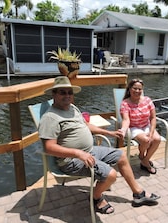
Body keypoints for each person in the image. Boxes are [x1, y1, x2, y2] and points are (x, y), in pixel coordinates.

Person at [38, 76, 160, 215]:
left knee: (121, 156)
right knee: (111, 175)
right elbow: (49, 147)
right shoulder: (50, 118)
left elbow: (86, 125)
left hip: (89, 150)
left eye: (69, 92)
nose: (67, 95)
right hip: (71, 160)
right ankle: (95, 198)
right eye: (62, 92)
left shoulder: (72, 108)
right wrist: (78, 154)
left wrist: (109, 132)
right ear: (54, 94)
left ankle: (138, 193)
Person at [119, 79, 161, 174]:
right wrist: (123, 130)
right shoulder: (125, 103)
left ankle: (145, 161)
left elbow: (153, 118)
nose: (137, 91)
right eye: (135, 88)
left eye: (139, 89)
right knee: (146, 140)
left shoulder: (147, 100)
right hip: (134, 127)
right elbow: (126, 120)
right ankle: (142, 156)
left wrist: (151, 132)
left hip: (146, 125)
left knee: (157, 139)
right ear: (129, 89)